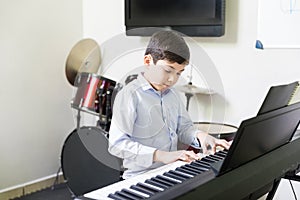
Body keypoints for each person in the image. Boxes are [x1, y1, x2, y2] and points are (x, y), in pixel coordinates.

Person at [108, 30, 231, 179]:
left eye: (179, 73)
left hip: (170, 171)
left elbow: (184, 128)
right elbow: (117, 144)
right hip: (139, 177)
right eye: (168, 70)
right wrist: (162, 156)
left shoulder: (173, 95)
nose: (173, 79)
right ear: (148, 61)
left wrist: (202, 136)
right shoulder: (130, 95)